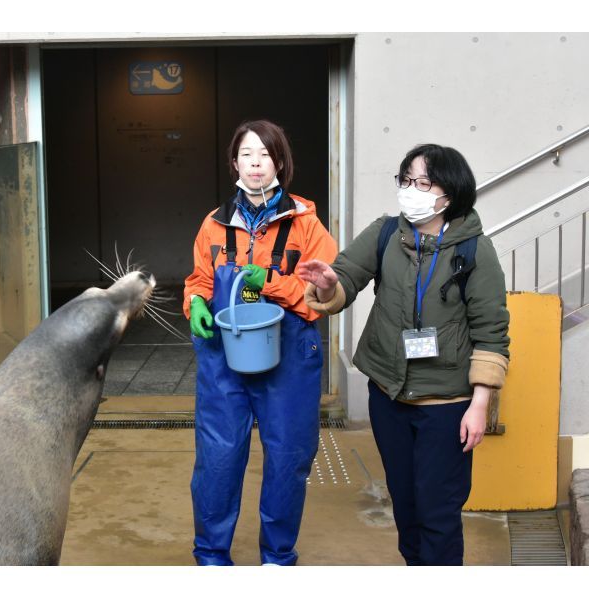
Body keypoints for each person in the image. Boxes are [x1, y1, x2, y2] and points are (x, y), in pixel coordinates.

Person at [297, 143, 510, 566]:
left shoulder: (474, 251)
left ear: (450, 192)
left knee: (438, 511)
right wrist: (325, 283)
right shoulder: (386, 233)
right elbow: (344, 280)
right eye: (407, 180)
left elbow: (491, 331)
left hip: (447, 406)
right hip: (389, 397)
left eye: (423, 182)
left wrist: (479, 404)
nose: (411, 189)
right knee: (407, 507)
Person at [183, 119, 337, 566]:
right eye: (247, 154)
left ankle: (278, 558)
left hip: (288, 359)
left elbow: (320, 297)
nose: (255, 163)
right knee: (217, 458)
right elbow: (198, 279)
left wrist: (268, 281)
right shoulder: (213, 225)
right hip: (223, 359)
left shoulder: (306, 226)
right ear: (234, 162)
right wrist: (194, 302)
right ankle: (211, 557)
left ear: (281, 163)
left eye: (265, 154)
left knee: (288, 459)